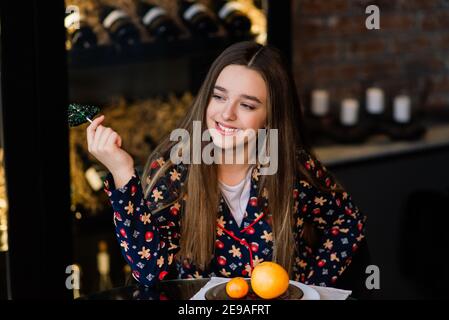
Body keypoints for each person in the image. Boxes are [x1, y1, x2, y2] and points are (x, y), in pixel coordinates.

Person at [87, 41, 367, 288]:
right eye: (219, 96)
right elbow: (150, 273)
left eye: (247, 105)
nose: (226, 113)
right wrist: (122, 172)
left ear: (270, 117)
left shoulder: (293, 167)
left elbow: (347, 222)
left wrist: (309, 289)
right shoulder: (175, 170)